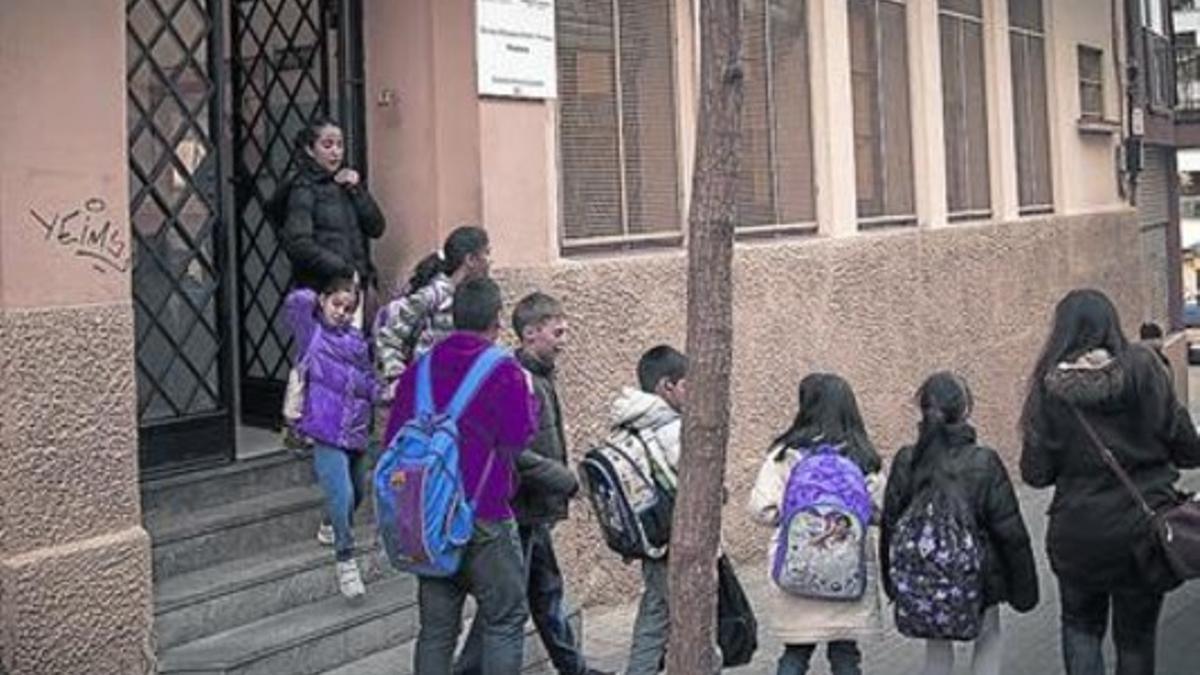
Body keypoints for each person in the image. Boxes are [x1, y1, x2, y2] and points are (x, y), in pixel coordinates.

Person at [1020, 289, 1200, 675]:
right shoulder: (1146, 368)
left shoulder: (1048, 387)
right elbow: (1188, 450)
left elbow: (1034, 475)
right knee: (1135, 640)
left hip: (1078, 535)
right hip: (1143, 534)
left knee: (1080, 629)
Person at [386, 277, 538, 675]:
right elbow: (518, 439)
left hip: (428, 516)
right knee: (504, 620)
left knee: (436, 631)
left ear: (453, 317)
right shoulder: (504, 370)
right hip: (485, 513)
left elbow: (393, 440)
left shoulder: (418, 370)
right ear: (497, 319)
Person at [455, 293, 611, 675]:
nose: (564, 340)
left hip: (533, 510)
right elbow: (513, 450)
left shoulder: (539, 375)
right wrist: (567, 482)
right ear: (530, 333)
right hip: (516, 509)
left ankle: (574, 669)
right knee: (510, 605)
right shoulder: (515, 379)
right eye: (557, 332)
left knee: (544, 594)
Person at [881, 372, 1039, 675]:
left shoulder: (906, 460)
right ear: (966, 410)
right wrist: (1024, 589)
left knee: (936, 648)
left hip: (926, 576)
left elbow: (890, 524)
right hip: (981, 576)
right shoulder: (983, 461)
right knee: (988, 635)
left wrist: (892, 582)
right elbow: (1010, 533)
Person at [746, 373, 884, 675]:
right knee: (846, 657)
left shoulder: (784, 454)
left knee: (795, 655)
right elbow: (879, 510)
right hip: (847, 573)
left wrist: (797, 519)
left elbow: (761, 509)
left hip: (797, 572)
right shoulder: (862, 456)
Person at [282, 274, 378, 600]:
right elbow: (297, 302)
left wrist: (386, 392)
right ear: (323, 301)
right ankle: (345, 560)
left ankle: (328, 524)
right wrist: (331, 273)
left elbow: (367, 382)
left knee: (357, 493)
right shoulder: (312, 334)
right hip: (324, 428)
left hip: (356, 430)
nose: (342, 312)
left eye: (349, 307)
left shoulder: (357, 341)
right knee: (341, 493)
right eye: (336, 303)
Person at [610, 345, 687, 675]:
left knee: (656, 609)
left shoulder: (629, 423)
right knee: (685, 614)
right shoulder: (670, 427)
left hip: (649, 534)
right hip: (674, 535)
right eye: (687, 384)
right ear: (666, 386)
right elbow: (690, 478)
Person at [277, 118, 386, 316]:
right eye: (327, 145)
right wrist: (342, 268)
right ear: (311, 150)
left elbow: (376, 227)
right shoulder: (303, 188)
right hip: (325, 291)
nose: (335, 152)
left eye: (340, 145)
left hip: (356, 287)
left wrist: (357, 190)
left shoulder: (344, 185)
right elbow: (298, 243)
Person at [376, 225, 491, 400]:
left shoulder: (477, 296)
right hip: (426, 395)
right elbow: (389, 336)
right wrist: (398, 378)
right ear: (470, 259)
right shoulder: (432, 296)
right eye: (487, 253)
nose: (490, 261)